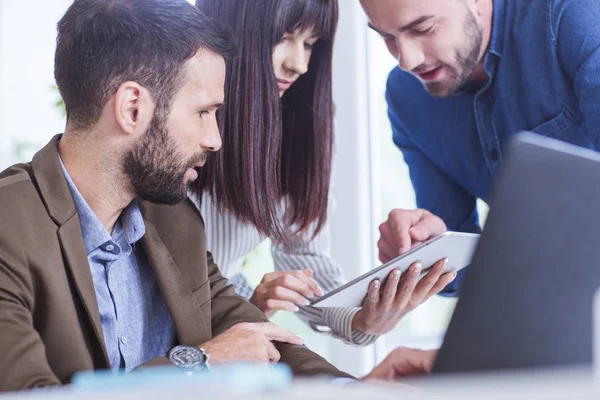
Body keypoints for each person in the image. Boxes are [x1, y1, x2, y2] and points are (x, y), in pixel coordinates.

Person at [0, 0, 438, 392]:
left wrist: (360, 390)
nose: (215, 139)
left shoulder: (175, 222)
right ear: (132, 107)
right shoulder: (9, 228)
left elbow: (259, 340)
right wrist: (199, 364)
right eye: (203, 112)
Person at [193, 0, 457, 346]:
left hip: (225, 327)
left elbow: (304, 256)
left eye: (309, 44)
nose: (298, 63)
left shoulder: (299, 121)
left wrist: (363, 319)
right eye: (282, 37)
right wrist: (245, 309)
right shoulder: (174, 117)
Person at [359, 0, 600, 272]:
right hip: (535, 299)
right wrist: (429, 248)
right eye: (387, 37)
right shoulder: (407, 94)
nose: (407, 60)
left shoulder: (571, 15)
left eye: (423, 29)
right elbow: (461, 268)